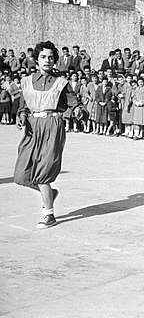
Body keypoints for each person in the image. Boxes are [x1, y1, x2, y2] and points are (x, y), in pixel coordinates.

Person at [13, 40, 79, 229]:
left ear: (55, 60)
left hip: (52, 125)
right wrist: (22, 116)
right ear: (36, 59)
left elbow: (74, 102)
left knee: (44, 173)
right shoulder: (26, 82)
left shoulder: (61, 83)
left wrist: (78, 111)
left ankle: (48, 214)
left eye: (51, 57)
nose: (47, 60)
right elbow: (23, 106)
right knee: (21, 175)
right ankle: (50, 194)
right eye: (43, 57)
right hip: (33, 127)